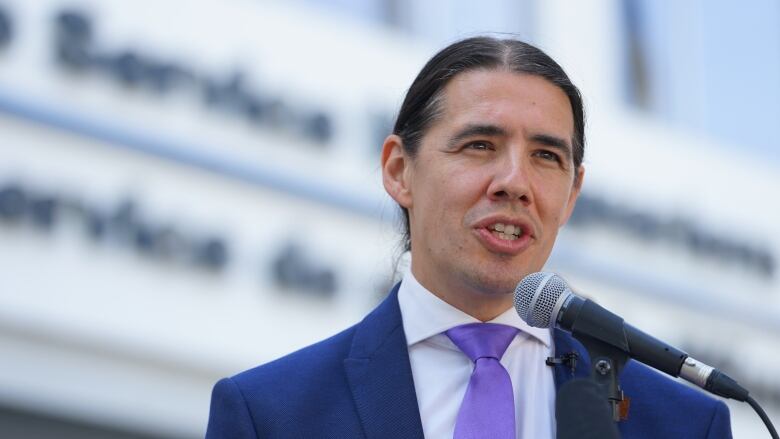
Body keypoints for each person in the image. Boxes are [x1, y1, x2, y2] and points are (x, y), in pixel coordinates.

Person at [205, 37, 732, 439]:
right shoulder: (269, 412)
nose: (515, 183)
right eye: (480, 145)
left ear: (572, 194)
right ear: (398, 170)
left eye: (546, 157)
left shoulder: (682, 423)